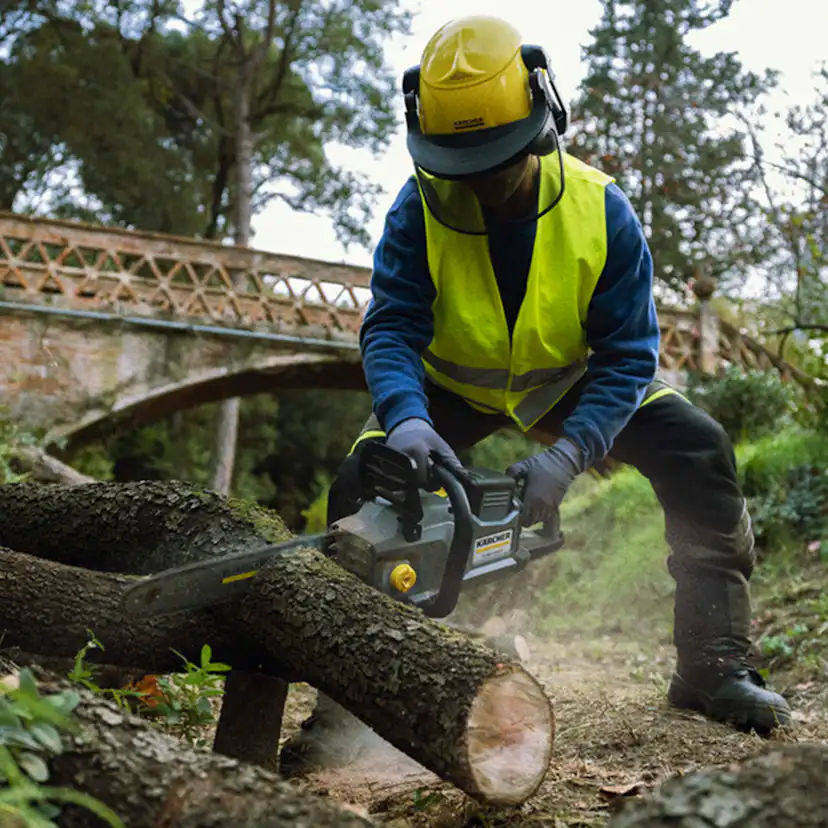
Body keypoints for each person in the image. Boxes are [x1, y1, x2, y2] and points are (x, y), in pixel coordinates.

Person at [279, 14, 791, 776]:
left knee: (698, 450)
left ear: (543, 123)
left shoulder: (602, 210)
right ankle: (352, 701)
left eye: (499, 163)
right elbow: (389, 327)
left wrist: (572, 452)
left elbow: (626, 357)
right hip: (449, 386)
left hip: (568, 381)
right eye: (463, 167)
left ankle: (713, 664)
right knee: (363, 484)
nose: (483, 184)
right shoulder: (415, 209)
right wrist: (407, 417)